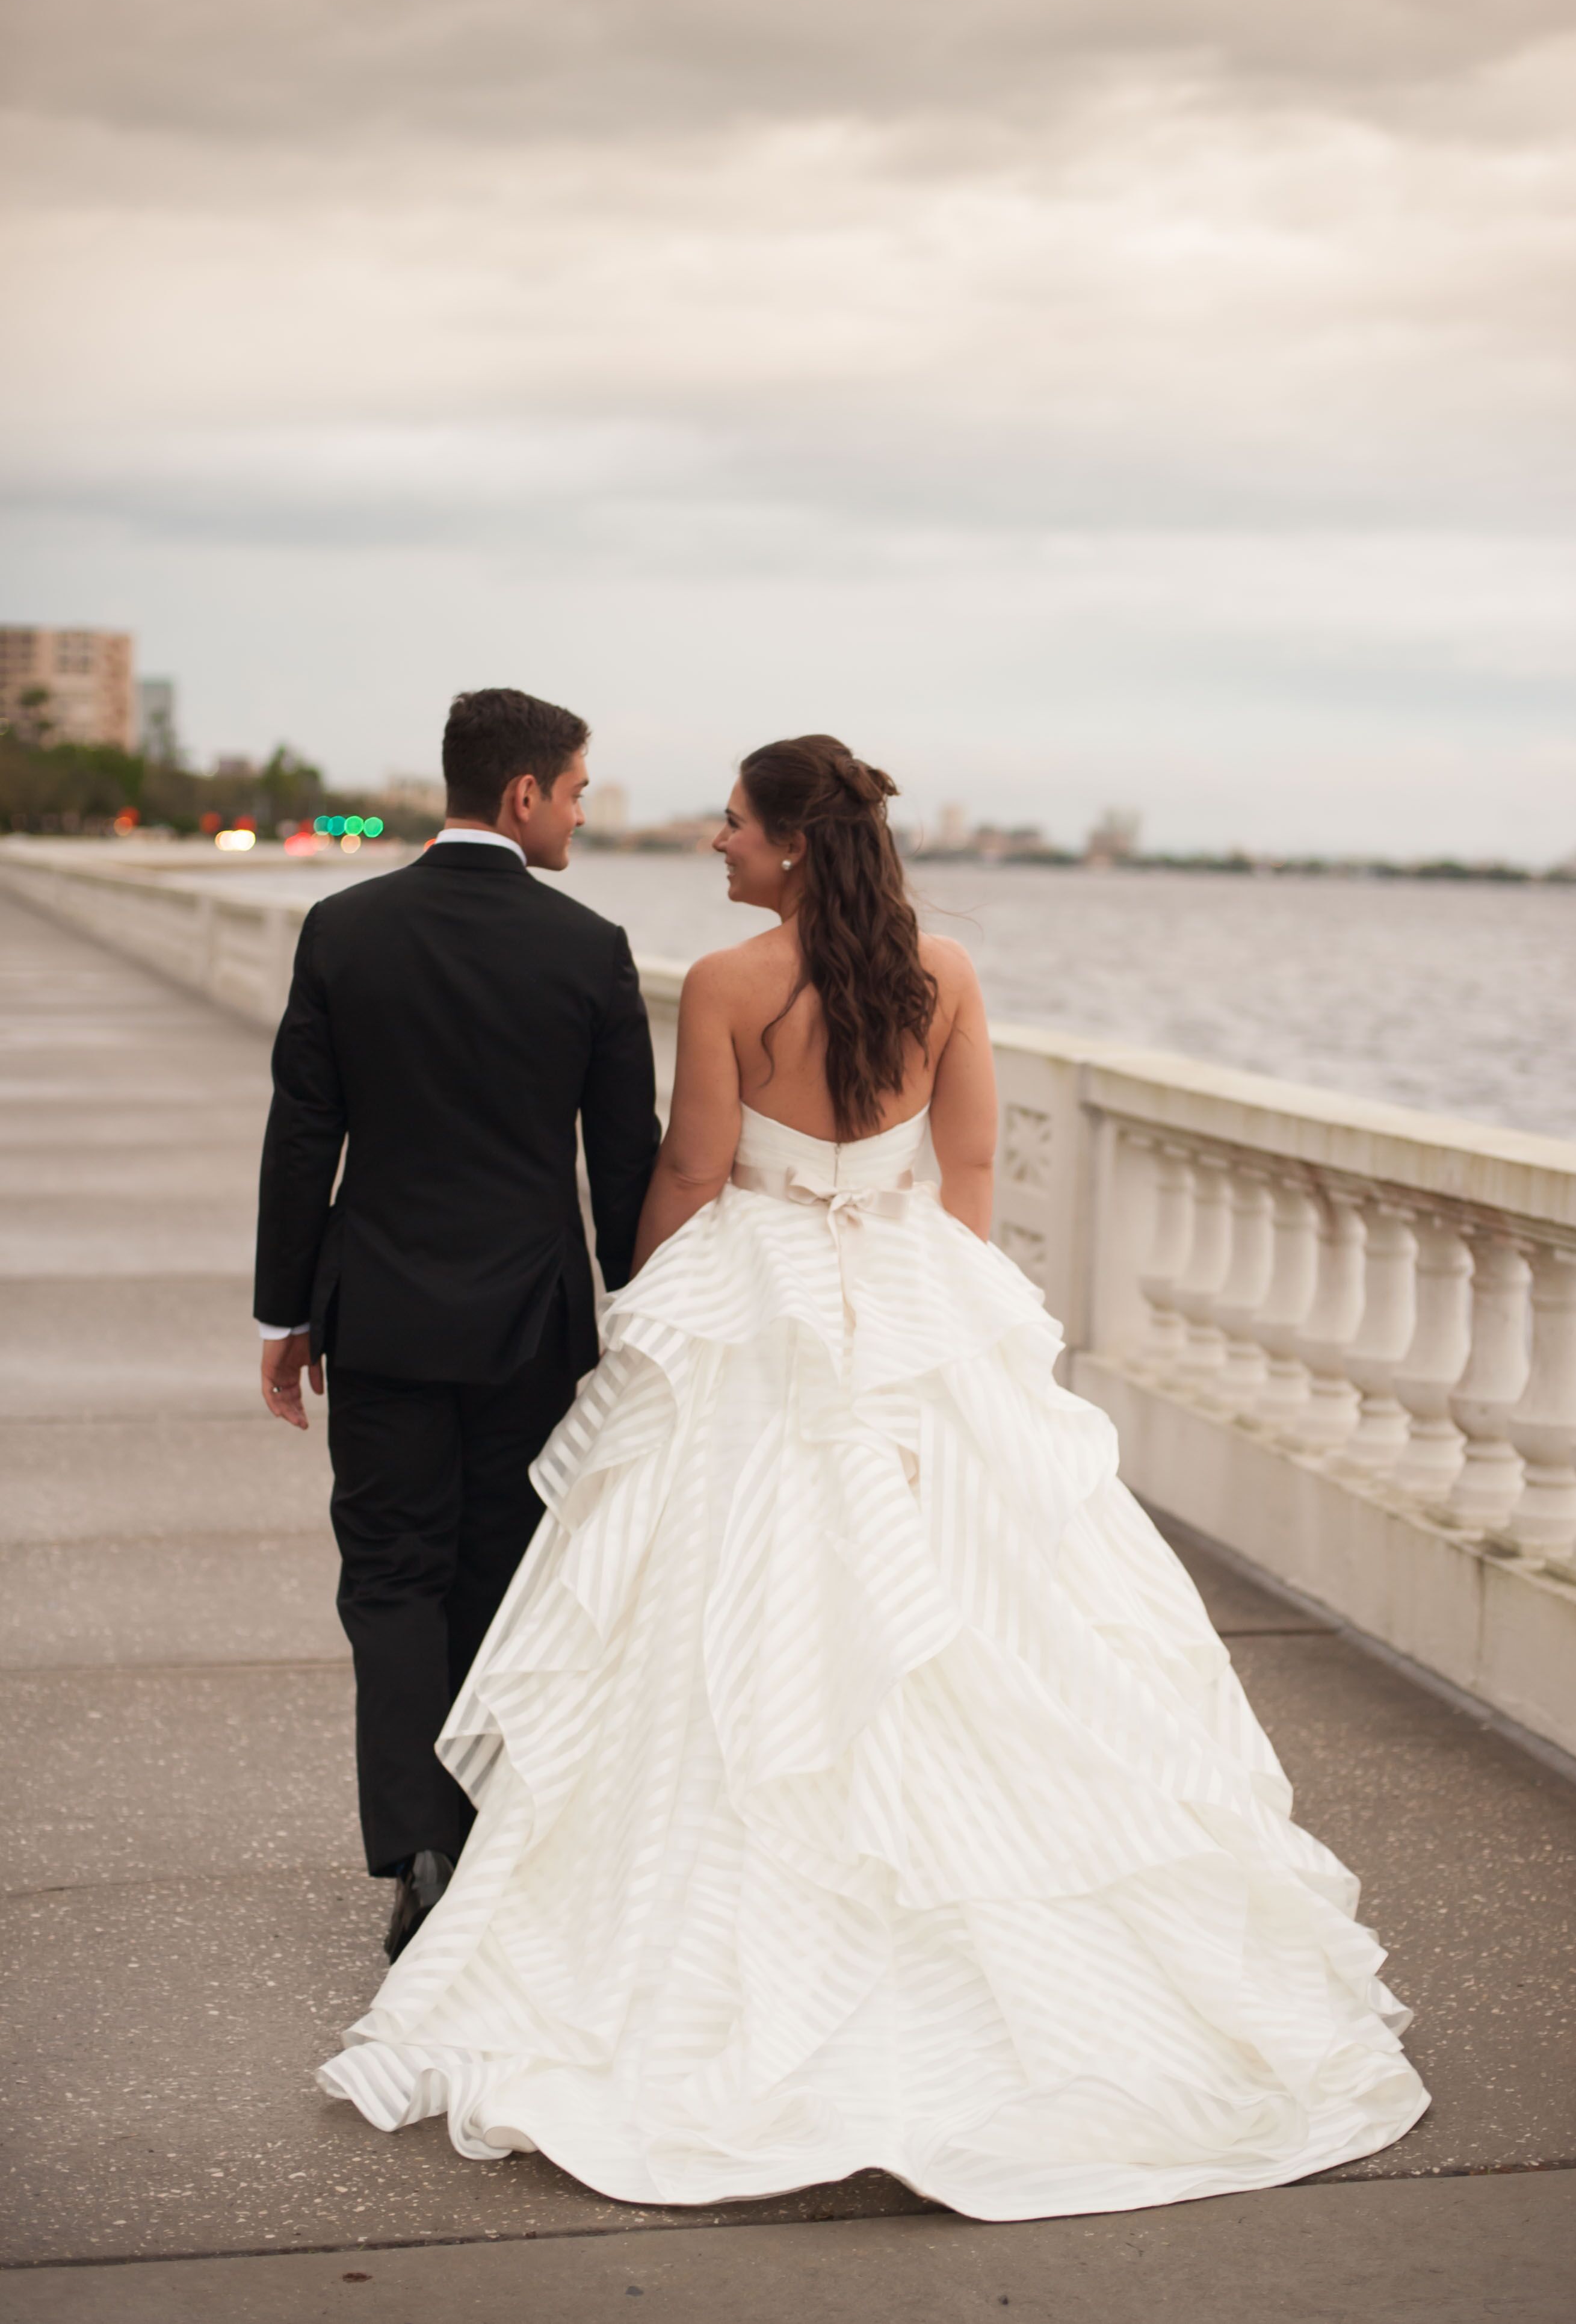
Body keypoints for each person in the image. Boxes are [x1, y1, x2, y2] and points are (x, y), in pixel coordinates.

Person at [317, 734, 1428, 2219]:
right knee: (981, 1615)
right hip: (914, 1290)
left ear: (784, 844)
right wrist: (937, 1324)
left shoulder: (725, 984)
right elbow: (967, 1173)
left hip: (763, 1291)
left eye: (730, 826)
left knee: (719, 1626)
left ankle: (720, 1954)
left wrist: (643, 1312)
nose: (713, 843)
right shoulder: (946, 971)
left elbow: (698, 1173)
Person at [255, 688, 658, 1963]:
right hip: (529, 1328)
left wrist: (284, 1309)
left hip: (373, 1311)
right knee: (497, 1573)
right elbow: (626, 1162)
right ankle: (478, 1842)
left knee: (389, 1576)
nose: (584, 814)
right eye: (579, 792)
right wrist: (638, 1312)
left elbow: (303, 1134)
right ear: (524, 794)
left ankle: (415, 1847)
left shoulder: (343, 930)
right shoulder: (590, 950)